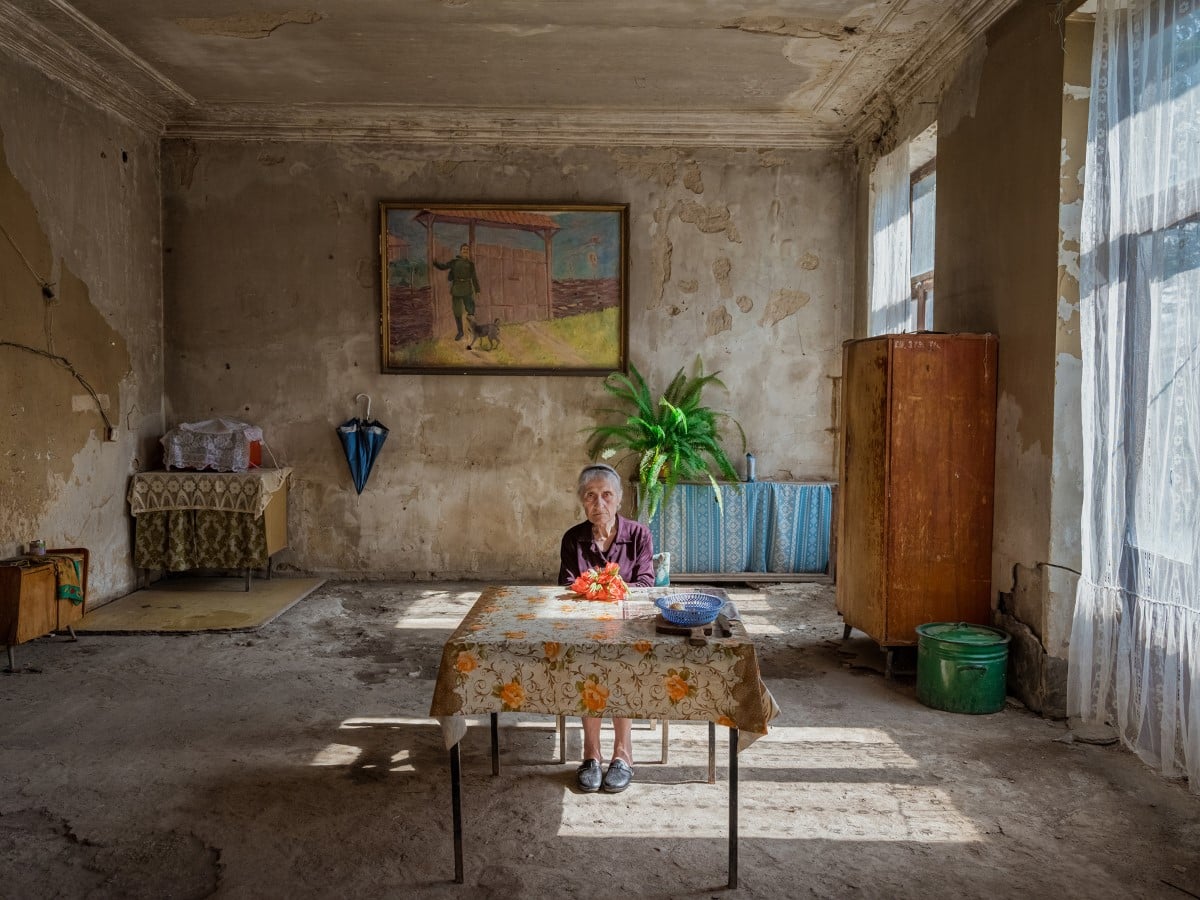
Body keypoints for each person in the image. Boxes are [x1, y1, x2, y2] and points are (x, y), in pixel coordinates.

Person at [558, 463, 654, 794]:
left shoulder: (639, 535)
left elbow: (645, 583)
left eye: (607, 495)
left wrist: (606, 589)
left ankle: (623, 754)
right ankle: (591, 754)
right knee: (587, 665)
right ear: (582, 501)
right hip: (585, 628)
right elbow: (568, 586)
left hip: (627, 627)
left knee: (623, 665)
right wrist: (597, 591)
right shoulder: (573, 538)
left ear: (619, 499)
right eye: (591, 496)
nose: (600, 503)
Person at [432, 243, 481, 340]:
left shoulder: (471, 265)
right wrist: (435, 263)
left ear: (468, 252)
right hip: (456, 289)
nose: (465, 251)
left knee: (471, 310)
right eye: (464, 249)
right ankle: (460, 332)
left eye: (467, 249)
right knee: (457, 312)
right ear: (460, 251)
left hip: (467, 289)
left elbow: (474, 278)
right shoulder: (454, 262)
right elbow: (443, 267)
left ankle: (472, 329)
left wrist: (477, 290)